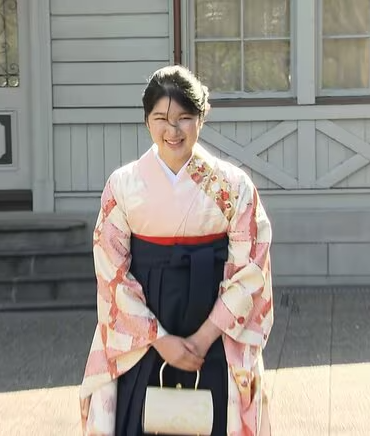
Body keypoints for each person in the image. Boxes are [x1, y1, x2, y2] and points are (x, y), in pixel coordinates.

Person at [78, 65, 273, 436]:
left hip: (215, 331)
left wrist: (202, 339)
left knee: (218, 419)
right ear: (146, 121)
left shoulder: (234, 186)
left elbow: (250, 270)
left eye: (184, 117)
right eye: (161, 118)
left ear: (202, 117)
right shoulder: (123, 185)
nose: (173, 130)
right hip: (145, 334)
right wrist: (161, 339)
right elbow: (112, 271)